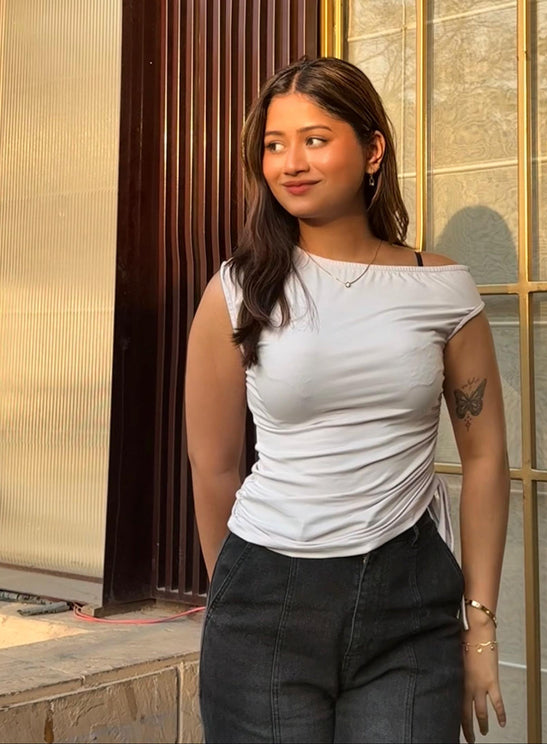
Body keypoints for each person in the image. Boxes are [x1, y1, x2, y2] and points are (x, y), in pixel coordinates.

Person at [185, 56, 509, 744]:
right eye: (274, 145)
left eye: (315, 139)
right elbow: (212, 467)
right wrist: (233, 599)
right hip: (264, 592)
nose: (291, 163)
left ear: (373, 150)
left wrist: (479, 625)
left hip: (407, 602)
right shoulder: (237, 290)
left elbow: (485, 458)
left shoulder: (442, 288)